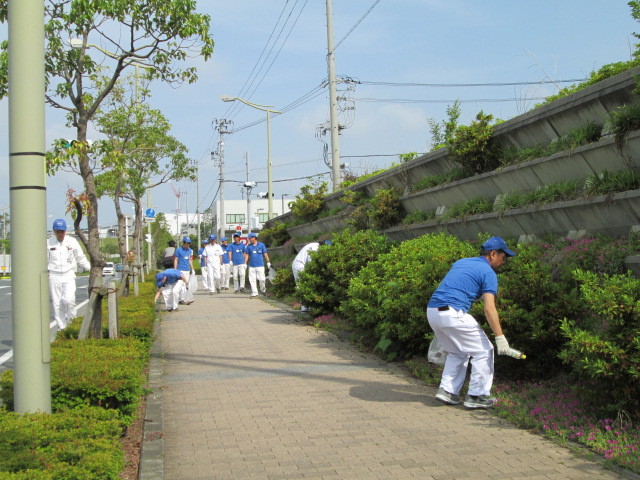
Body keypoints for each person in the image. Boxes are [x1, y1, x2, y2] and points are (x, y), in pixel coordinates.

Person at [426, 236, 517, 409]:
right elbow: (489, 309)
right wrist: (500, 337)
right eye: (503, 257)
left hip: (433, 311)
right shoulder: (488, 272)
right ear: (493, 254)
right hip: (453, 313)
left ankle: (447, 391)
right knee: (484, 350)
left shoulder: (462, 262)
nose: (503, 262)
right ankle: (476, 396)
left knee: (457, 352)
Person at [47, 218, 91, 330]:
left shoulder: (72, 242)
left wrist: (90, 268)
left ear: (66, 231)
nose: (60, 233)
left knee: (68, 300)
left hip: (69, 274)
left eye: (62, 231)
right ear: (54, 231)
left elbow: (80, 257)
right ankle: (62, 327)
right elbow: (44, 260)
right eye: (58, 231)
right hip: (54, 275)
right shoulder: (48, 242)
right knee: (57, 304)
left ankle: (72, 323)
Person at [291, 240, 331, 312]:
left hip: (300, 264)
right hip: (299, 265)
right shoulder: (315, 248)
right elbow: (311, 263)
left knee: (303, 284)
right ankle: (305, 306)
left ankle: (307, 305)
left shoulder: (315, 246)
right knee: (302, 284)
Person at [244, 232, 270, 298]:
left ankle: (263, 290)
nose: (249, 240)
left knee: (262, 279)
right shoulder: (249, 246)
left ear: (254, 238)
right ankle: (254, 292)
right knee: (252, 280)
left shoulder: (261, 245)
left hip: (260, 265)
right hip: (252, 266)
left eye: (250, 238)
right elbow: (247, 255)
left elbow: (265, 253)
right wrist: (245, 263)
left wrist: (268, 261)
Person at [173, 236, 194, 304]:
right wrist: (175, 269)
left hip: (187, 270)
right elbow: (176, 260)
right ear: (184, 243)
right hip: (180, 270)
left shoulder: (190, 250)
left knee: (186, 284)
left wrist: (192, 269)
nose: (188, 245)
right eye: (187, 243)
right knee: (181, 284)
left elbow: (190, 260)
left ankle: (183, 298)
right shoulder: (178, 250)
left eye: (189, 243)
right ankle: (181, 299)